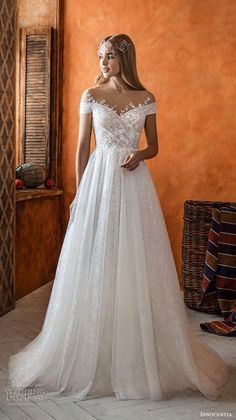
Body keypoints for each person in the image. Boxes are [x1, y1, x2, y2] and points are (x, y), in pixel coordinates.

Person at [8, 33, 230, 402]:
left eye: (110, 56)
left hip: (134, 184)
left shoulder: (146, 98)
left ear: (125, 59)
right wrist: (80, 194)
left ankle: (133, 351)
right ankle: (92, 349)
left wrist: (139, 156)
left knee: (134, 261)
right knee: (94, 259)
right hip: (98, 184)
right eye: (100, 56)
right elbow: (82, 148)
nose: (103, 63)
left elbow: (154, 146)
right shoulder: (91, 96)